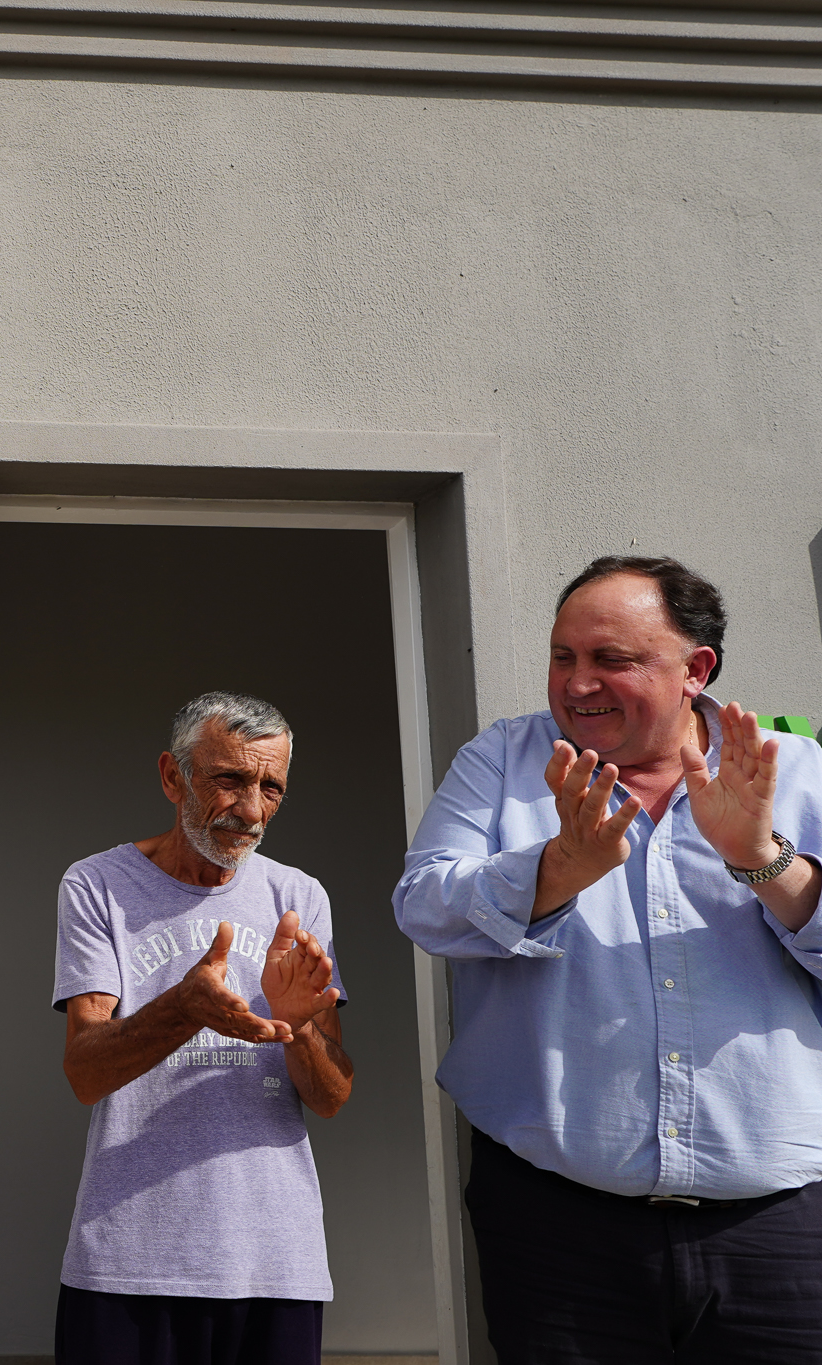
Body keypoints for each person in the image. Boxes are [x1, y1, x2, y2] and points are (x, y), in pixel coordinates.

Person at [394, 554, 822, 1363]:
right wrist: (558, 868)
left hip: (781, 1226)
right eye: (563, 655)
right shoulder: (503, 759)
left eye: (610, 659)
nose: (577, 682)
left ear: (696, 668)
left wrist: (763, 860)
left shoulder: (793, 771)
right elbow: (422, 905)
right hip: (558, 1225)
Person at [53, 691, 353, 1365]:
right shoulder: (98, 885)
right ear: (173, 776)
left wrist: (299, 1026)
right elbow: (85, 1072)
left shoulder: (298, 897)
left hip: (276, 1264)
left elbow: (331, 1096)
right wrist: (184, 1008)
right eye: (230, 779)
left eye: (271, 788)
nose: (251, 810)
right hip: (127, 1263)